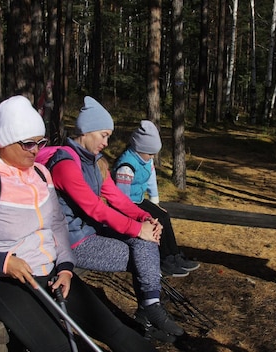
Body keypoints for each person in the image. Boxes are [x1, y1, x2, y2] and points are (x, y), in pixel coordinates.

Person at [0, 95, 157, 352]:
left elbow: (56, 225)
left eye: (40, 142)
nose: (35, 150)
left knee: (118, 332)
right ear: (6, 141)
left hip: (51, 272)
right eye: (27, 144)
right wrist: (3, 261)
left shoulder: (41, 174)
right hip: (2, 281)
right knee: (64, 346)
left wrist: (65, 266)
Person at [37, 96, 185, 340]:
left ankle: (149, 311)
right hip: (71, 242)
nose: (107, 142)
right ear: (87, 131)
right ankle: (149, 313)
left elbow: (116, 198)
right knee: (143, 251)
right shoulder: (65, 164)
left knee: (145, 245)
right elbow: (96, 208)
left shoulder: (94, 162)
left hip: (92, 232)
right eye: (104, 135)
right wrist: (137, 230)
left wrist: (145, 217)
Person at [112, 120, 200, 277]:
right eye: (150, 153)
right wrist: (133, 218)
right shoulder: (126, 166)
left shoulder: (145, 159)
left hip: (138, 199)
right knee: (156, 220)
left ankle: (174, 255)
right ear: (139, 148)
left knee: (164, 215)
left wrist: (155, 203)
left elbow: (151, 180)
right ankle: (164, 260)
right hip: (127, 204)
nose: (152, 157)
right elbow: (121, 199)